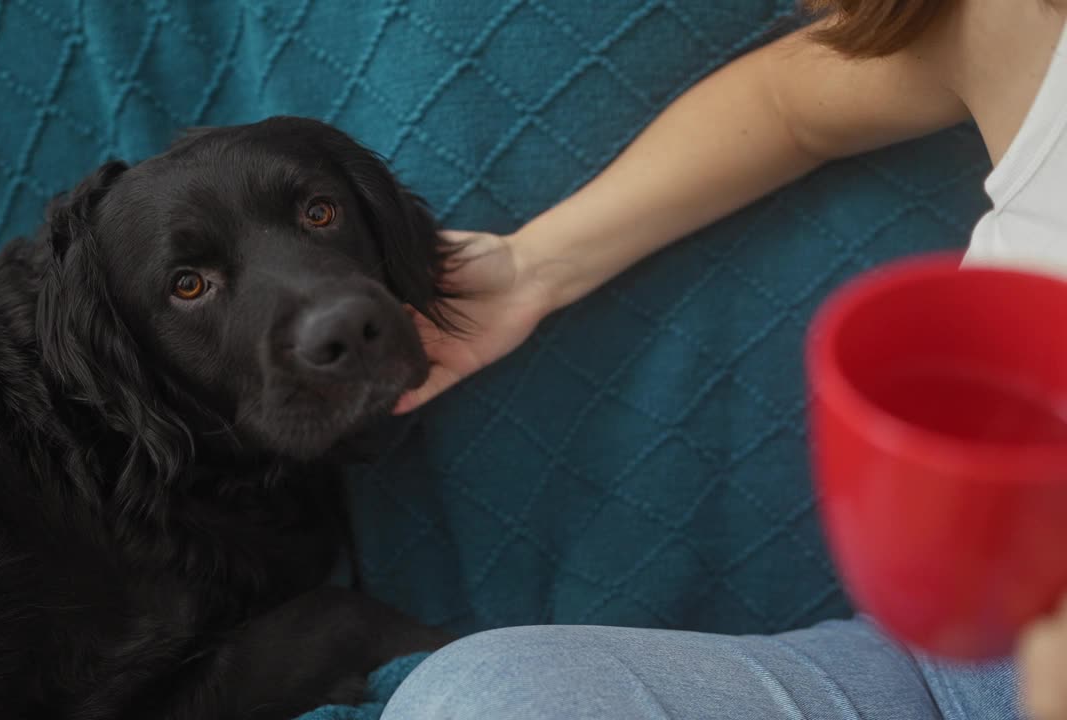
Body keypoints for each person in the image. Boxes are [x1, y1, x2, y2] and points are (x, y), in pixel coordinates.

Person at [382, 0, 1067, 718]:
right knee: (479, 699)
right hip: (943, 666)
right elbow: (788, 103)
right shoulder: (1015, 23)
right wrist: (532, 269)